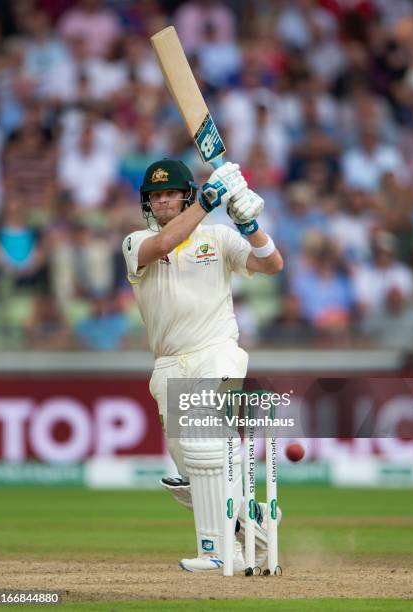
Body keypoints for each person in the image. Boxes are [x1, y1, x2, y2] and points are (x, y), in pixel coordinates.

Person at [122, 159, 283, 573]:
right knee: (195, 472)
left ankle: (213, 551)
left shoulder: (217, 236)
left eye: (170, 193)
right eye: (155, 196)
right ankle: (257, 527)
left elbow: (271, 264)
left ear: (185, 194)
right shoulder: (135, 241)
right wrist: (210, 200)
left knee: (208, 445)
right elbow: (162, 247)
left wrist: (250, 226)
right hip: (169, 362)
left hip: (216, 350)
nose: (162, 201)